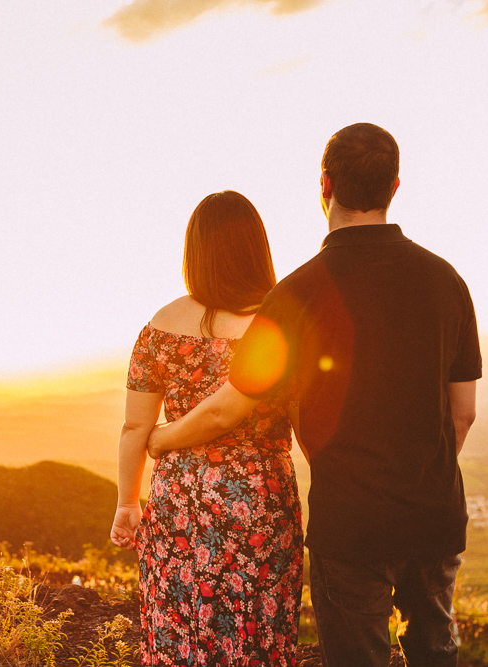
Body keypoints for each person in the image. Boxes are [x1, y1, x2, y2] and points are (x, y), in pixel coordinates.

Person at [148, 123, 481, 667]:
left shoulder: (296, 294)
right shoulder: (447, 281)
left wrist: (162, 439)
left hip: (349, 525)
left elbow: (230, 407)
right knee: (435, 652)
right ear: (395, 187)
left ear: (324, 185)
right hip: (434, 516)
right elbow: (462, 414)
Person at [110, 190, 304, 666]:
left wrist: (127, 503)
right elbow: (307, 420)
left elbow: (135, 427)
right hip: (260, 501)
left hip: (179, 501)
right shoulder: (280, 323)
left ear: (194, 251)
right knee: (256, 631)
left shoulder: (161, 325)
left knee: (180, 628)